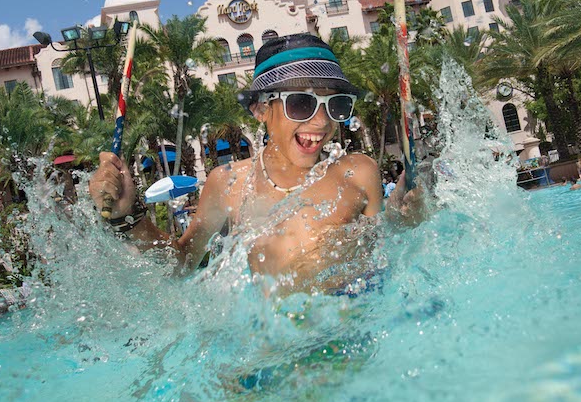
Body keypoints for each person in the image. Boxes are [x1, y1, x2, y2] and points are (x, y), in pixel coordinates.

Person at [89, 33, 425, 295]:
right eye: (301, 103)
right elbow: (181, 265)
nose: (321, 122)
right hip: (274, 350)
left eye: (335, 105)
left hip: (350, 328)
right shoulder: (229, 184)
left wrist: (404, 224)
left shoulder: (358, 172)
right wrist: (129, 216)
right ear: (260, 110)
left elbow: (384, 256)